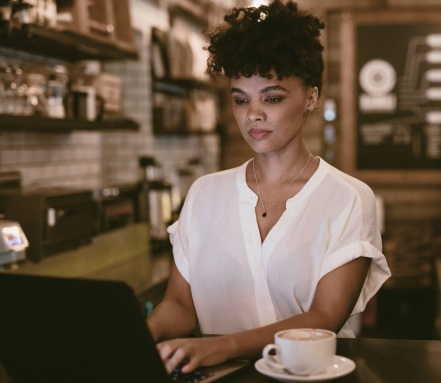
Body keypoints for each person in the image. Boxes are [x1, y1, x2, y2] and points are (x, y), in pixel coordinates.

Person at [146, 0, 391, 374]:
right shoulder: (203, 194)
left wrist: (225, 346)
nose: (253, 114)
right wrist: (140, 335)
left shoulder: (348, 199)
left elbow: (324, 317)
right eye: (241, 99)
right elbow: (180, 305)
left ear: (310, 97)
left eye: (272, 98)